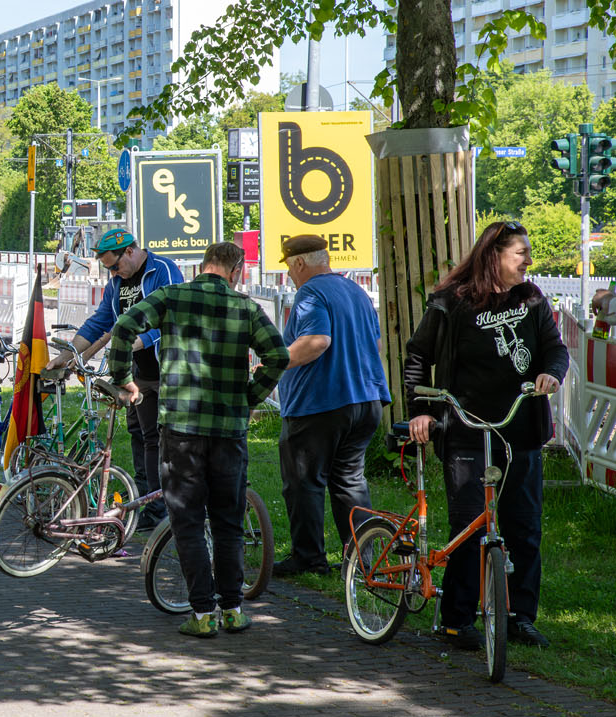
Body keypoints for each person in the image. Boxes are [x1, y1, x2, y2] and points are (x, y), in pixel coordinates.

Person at [108, 241, 290, 638]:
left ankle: (203, 614)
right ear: (236, 271)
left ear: (204, 265)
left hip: (181, 430)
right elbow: (279, 355)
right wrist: (249, 397)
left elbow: (123, 327)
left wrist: (124, 379)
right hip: (228, 431)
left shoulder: (171, 296)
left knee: (188, 521)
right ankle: (233, 610)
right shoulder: (245, 307)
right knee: (228, 522)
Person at [404, 219, 568, 650]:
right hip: (466, 430)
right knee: (469, 526)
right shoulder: (451, 301)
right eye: (521, 253)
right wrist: (421, 411)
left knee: (523, 526)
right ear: (494, 255)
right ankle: (457, 619)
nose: (528, 261)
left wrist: (552, 373)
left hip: (521, 431)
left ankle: (519, 617)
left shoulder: (531, 298)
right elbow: (418, 355)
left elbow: (555, 348)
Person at [47, 227, 183, 530]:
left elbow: (174, 317)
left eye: (115, 265)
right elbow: (100, 321)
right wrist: (68, 355)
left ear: (130, 251)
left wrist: (138, 341)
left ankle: (158, 509)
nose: (113, 273)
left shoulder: (162, 270)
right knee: (139, 434)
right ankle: (145, 502)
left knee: (156, 439)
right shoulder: (117, 283)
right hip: (136, 373)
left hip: (166, 369)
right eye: (108, 269)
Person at [274, 235, 392, 576]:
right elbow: (376, 343)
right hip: (366, 399)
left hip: (321, 402)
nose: (290, 276)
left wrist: (273, 361)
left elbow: (316, 341)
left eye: (290, 268)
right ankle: (362, 560)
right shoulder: (355, 290)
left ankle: (308, 558)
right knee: (349, 480)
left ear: (299, 263)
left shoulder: (310, 293)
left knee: (304, 481)